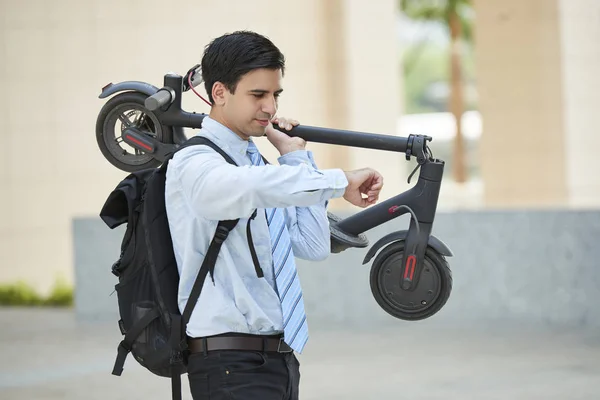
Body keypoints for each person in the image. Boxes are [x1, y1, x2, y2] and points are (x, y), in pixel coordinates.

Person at [164, 30, 384, 400]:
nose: (271, 108)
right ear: (220, 92)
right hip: (227, 363)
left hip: (277, 360)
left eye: (275, 95)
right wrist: (336, 180)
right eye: (258, 95)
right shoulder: (196, 162)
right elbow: (248, 186)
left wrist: (296, 156)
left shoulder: (259, 167)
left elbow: (312, 245)